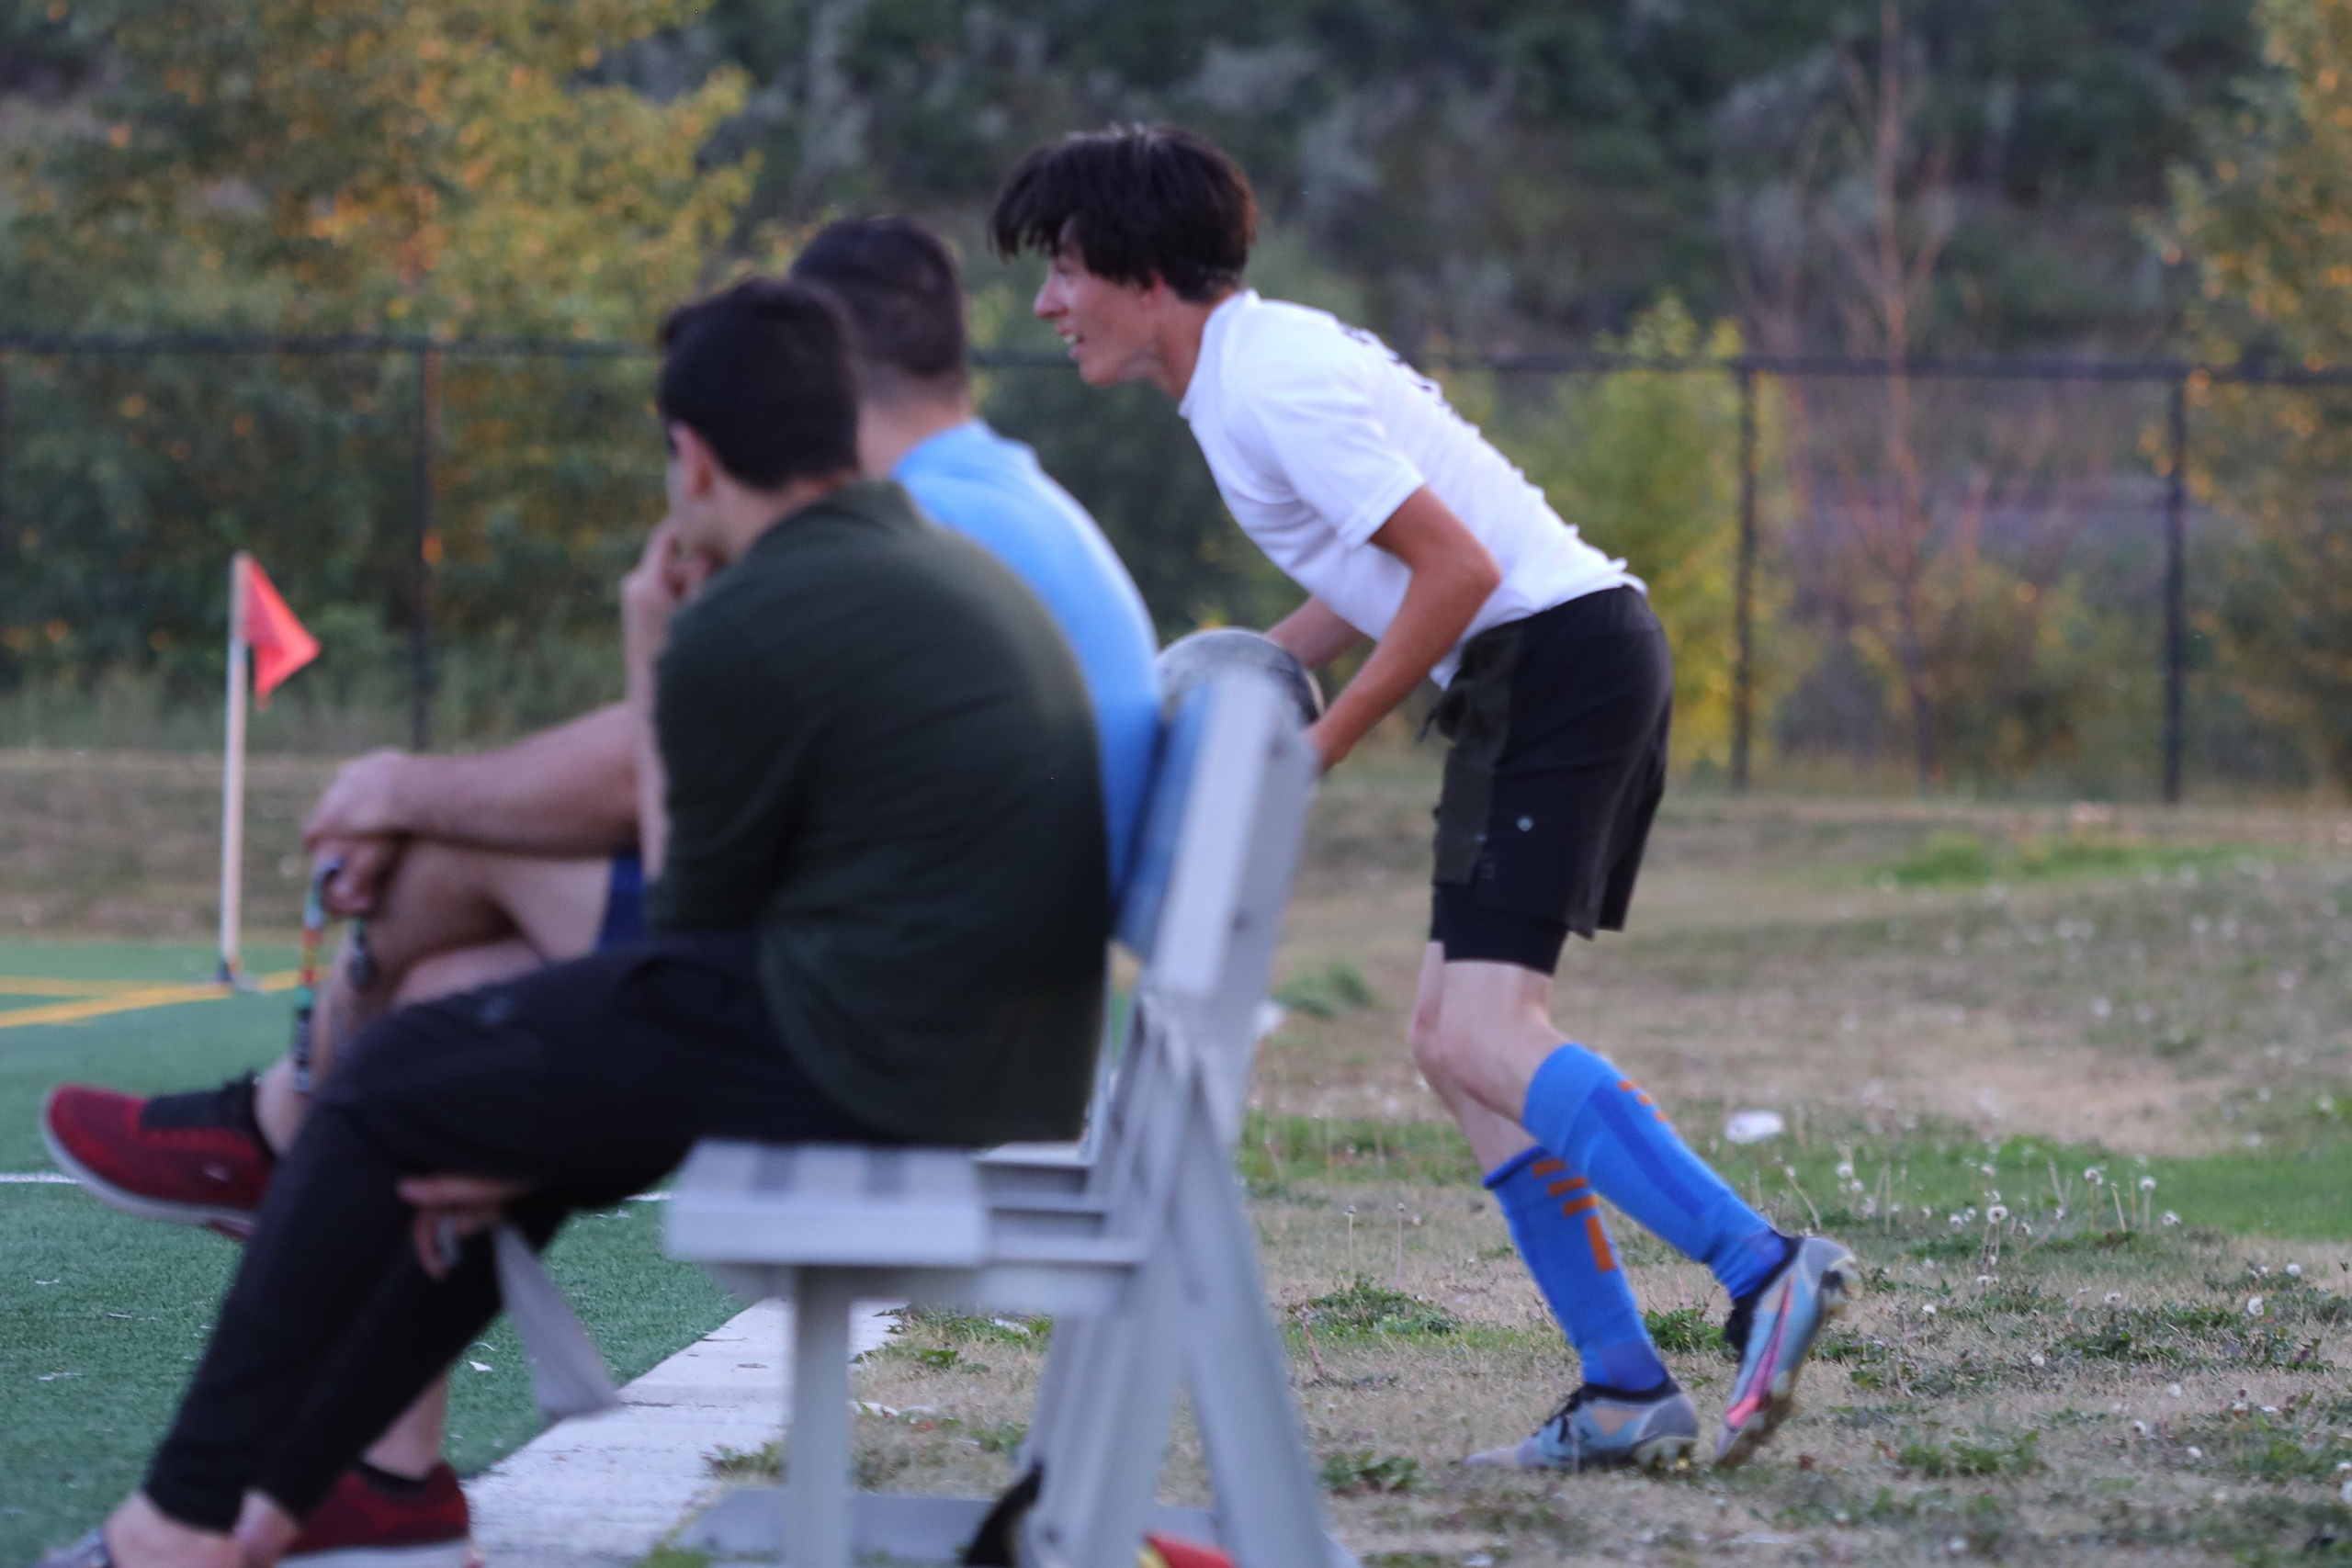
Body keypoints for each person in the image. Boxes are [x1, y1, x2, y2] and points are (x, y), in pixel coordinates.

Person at [38, 218, 1159, 1562]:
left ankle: (178, 1519)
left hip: (882, 1060)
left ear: (694, 457)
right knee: (466, 1087)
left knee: (391, 1086)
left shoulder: (765, 613)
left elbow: (688, 929)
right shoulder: (919, 559)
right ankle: (303, 1507)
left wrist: (651, 645)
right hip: (970, 1053)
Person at [987, 125, 1857, 1472]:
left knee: (1489, 1031)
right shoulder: (1247, 372)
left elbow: (1453, 572)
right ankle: (1624, 1390)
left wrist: (1318, 746)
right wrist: (1243, 678)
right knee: (1454, 1044)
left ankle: (1764, 1266)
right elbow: (1376, 571)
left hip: (1555, 660)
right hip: (1540, 663)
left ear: (1147, 274)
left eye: (1066, 269)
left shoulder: (1266, 384)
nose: (1048, 302)